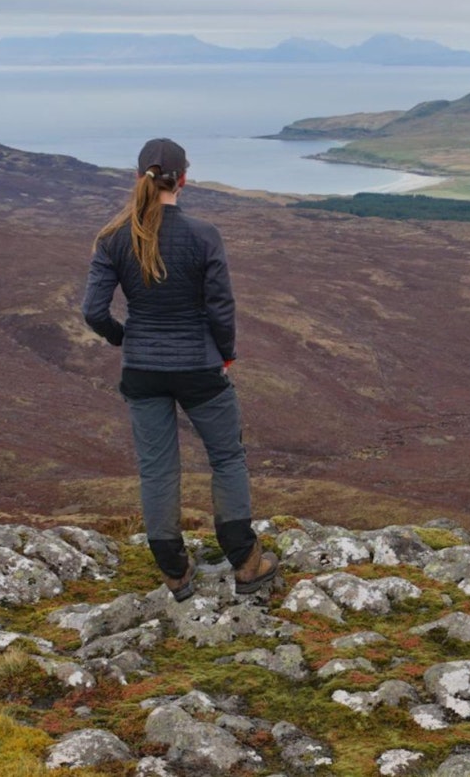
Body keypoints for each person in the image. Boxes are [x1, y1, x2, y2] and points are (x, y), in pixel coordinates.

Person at [82, 137, 276, 601]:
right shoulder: (203, 234)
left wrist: (124, 338)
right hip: (200, 367)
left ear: (138, 177)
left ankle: (175, 573)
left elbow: (93, 311)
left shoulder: (113, 238)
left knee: (157, 469)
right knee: (226, 457)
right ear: (183, 179)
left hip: (142, 371)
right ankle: (247, 563)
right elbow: (220, 308)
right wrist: (224, 354)